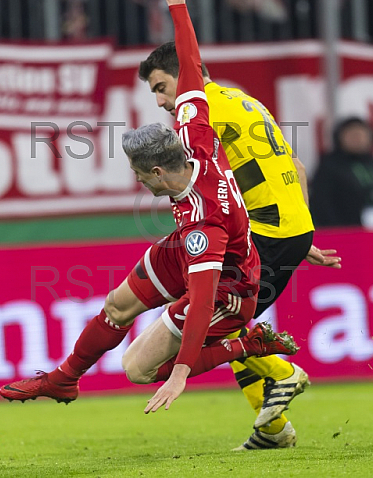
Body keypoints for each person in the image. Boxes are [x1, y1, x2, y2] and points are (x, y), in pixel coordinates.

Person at [0, 0, 300, 419]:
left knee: (138, 369)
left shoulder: (203, 223)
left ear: (159, 173)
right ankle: (64, 378)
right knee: (117, 306)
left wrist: (181, 374)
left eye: (141, 177)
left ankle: (249, 343)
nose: (139, 184)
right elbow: (191, 65)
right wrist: (176, 2)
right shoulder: (195, 132)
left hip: (230, 286)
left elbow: (202, 301)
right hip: (191, 247)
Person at [137, 48, 339, 449]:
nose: (160, 101)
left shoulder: (201, 112)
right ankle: (272, 431)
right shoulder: (244, 100)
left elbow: (200, 185)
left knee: (208, 327)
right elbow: (294, 167)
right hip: (286, 227)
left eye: (161, 87)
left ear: (186, 76)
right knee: (227, 325)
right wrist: (303, 233)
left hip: (268, 232)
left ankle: (282, 374)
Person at [310, 116, 373, 229]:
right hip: (346, 235)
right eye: (352, 135)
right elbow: (322, 205)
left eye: (362, 135)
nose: (358, 139)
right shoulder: (329, 166)